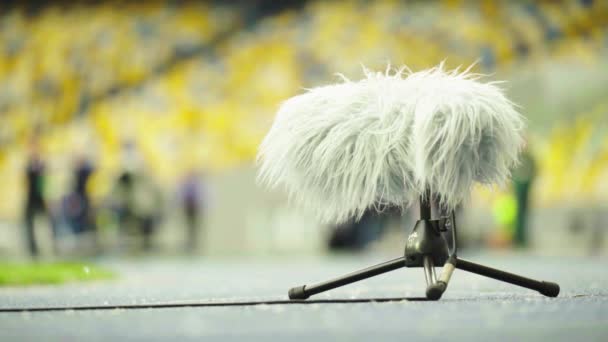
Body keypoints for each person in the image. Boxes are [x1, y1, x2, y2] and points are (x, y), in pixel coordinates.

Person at [23, 139, 54, 257]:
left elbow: (45, 181)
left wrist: (47, 196)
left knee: (46, 223)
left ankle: (49, 247)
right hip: (31, 197)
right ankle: (33, 250)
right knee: (29, 224)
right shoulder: (28, 164)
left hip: (41, 197)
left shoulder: (42, 164)